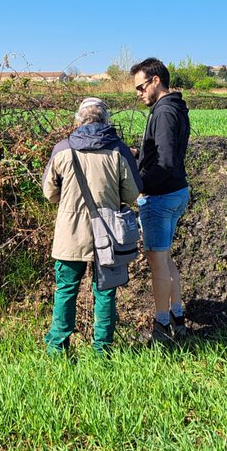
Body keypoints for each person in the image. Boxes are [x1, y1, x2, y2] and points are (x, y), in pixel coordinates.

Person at [42, 98, 142, 357]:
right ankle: (102, 350)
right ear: (106, 120)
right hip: (108, 233)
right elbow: (132, 194)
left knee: (65, 290)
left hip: (69, 232)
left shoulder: (62, 149)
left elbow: (49, 192)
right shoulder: (118, 150)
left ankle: (57, 348)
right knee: (106, 292)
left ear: (78, 120)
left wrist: (66, 202)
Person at [131, 58, 191, 346]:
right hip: (176, 192)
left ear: (156, 81)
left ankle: (161, 326)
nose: (139, 93)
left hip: (161, 196)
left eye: (141, 87)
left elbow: (165, 162)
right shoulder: (174, 107)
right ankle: (178, 319)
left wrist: (139, 187)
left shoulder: (164, 112)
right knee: (166, 260)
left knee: (157, 264)